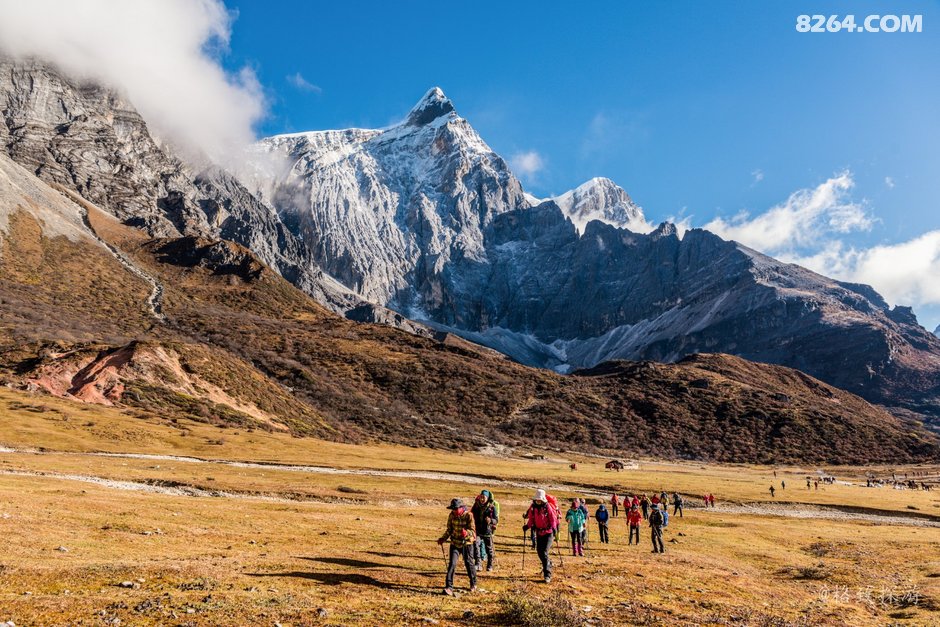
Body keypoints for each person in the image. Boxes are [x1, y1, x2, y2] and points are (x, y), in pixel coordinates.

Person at [438, 498, 477, 595]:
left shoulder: (469, 515)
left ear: (461, 508)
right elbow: (449, 529)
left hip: (467, 544)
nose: (454, 511)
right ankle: (449, 587)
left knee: (469, 563)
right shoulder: (451, 515)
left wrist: (466, 533)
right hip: (455, 543)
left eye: (455, 509)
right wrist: (443, 538)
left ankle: (473, 583)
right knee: (452, 564)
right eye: (453, 509)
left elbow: (473, 532)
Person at [523, 489, 559, 583]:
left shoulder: (548, 507)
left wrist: (555, 529)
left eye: (539, 500)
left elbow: (552, 518)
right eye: (537, 499)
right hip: (539, 532)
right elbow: (531, 519)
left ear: (543, 500)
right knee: (539, 552)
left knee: (544, 552)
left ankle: (547, 574)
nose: (538, 501)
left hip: (549, 532)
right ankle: (548, 564)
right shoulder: (533, 508)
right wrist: (527, 526)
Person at [471, 490, 499, 572]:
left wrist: (490, 520)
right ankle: (478, 564)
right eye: (481, 497)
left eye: (484, 497)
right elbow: (471, 514)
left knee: (489, 549)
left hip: (487, 531)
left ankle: (490, 565)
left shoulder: (492, 507)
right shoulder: (476, 505)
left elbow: (496, 520)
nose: (482, 499)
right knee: (476, 547)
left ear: (487, 498)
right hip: (478, 530)